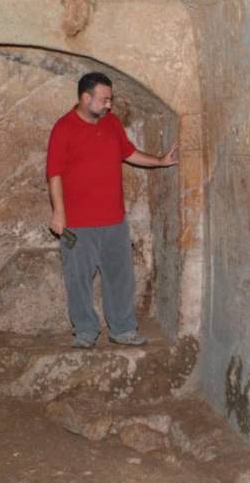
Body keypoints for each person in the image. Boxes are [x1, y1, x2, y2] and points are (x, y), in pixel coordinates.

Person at [46, 72, 178, 349]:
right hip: (77, 224)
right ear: (86, 98)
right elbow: (54, 173)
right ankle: (85, 331)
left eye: (110, 100)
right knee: (78, 279)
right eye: (104, 100)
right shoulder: (63, 128)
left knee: (120, 277)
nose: (109, 105)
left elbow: (128, 153)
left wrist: (159, 161)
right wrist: (59, 213)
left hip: (114, 220)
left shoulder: (111, 123)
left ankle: (123, 329)